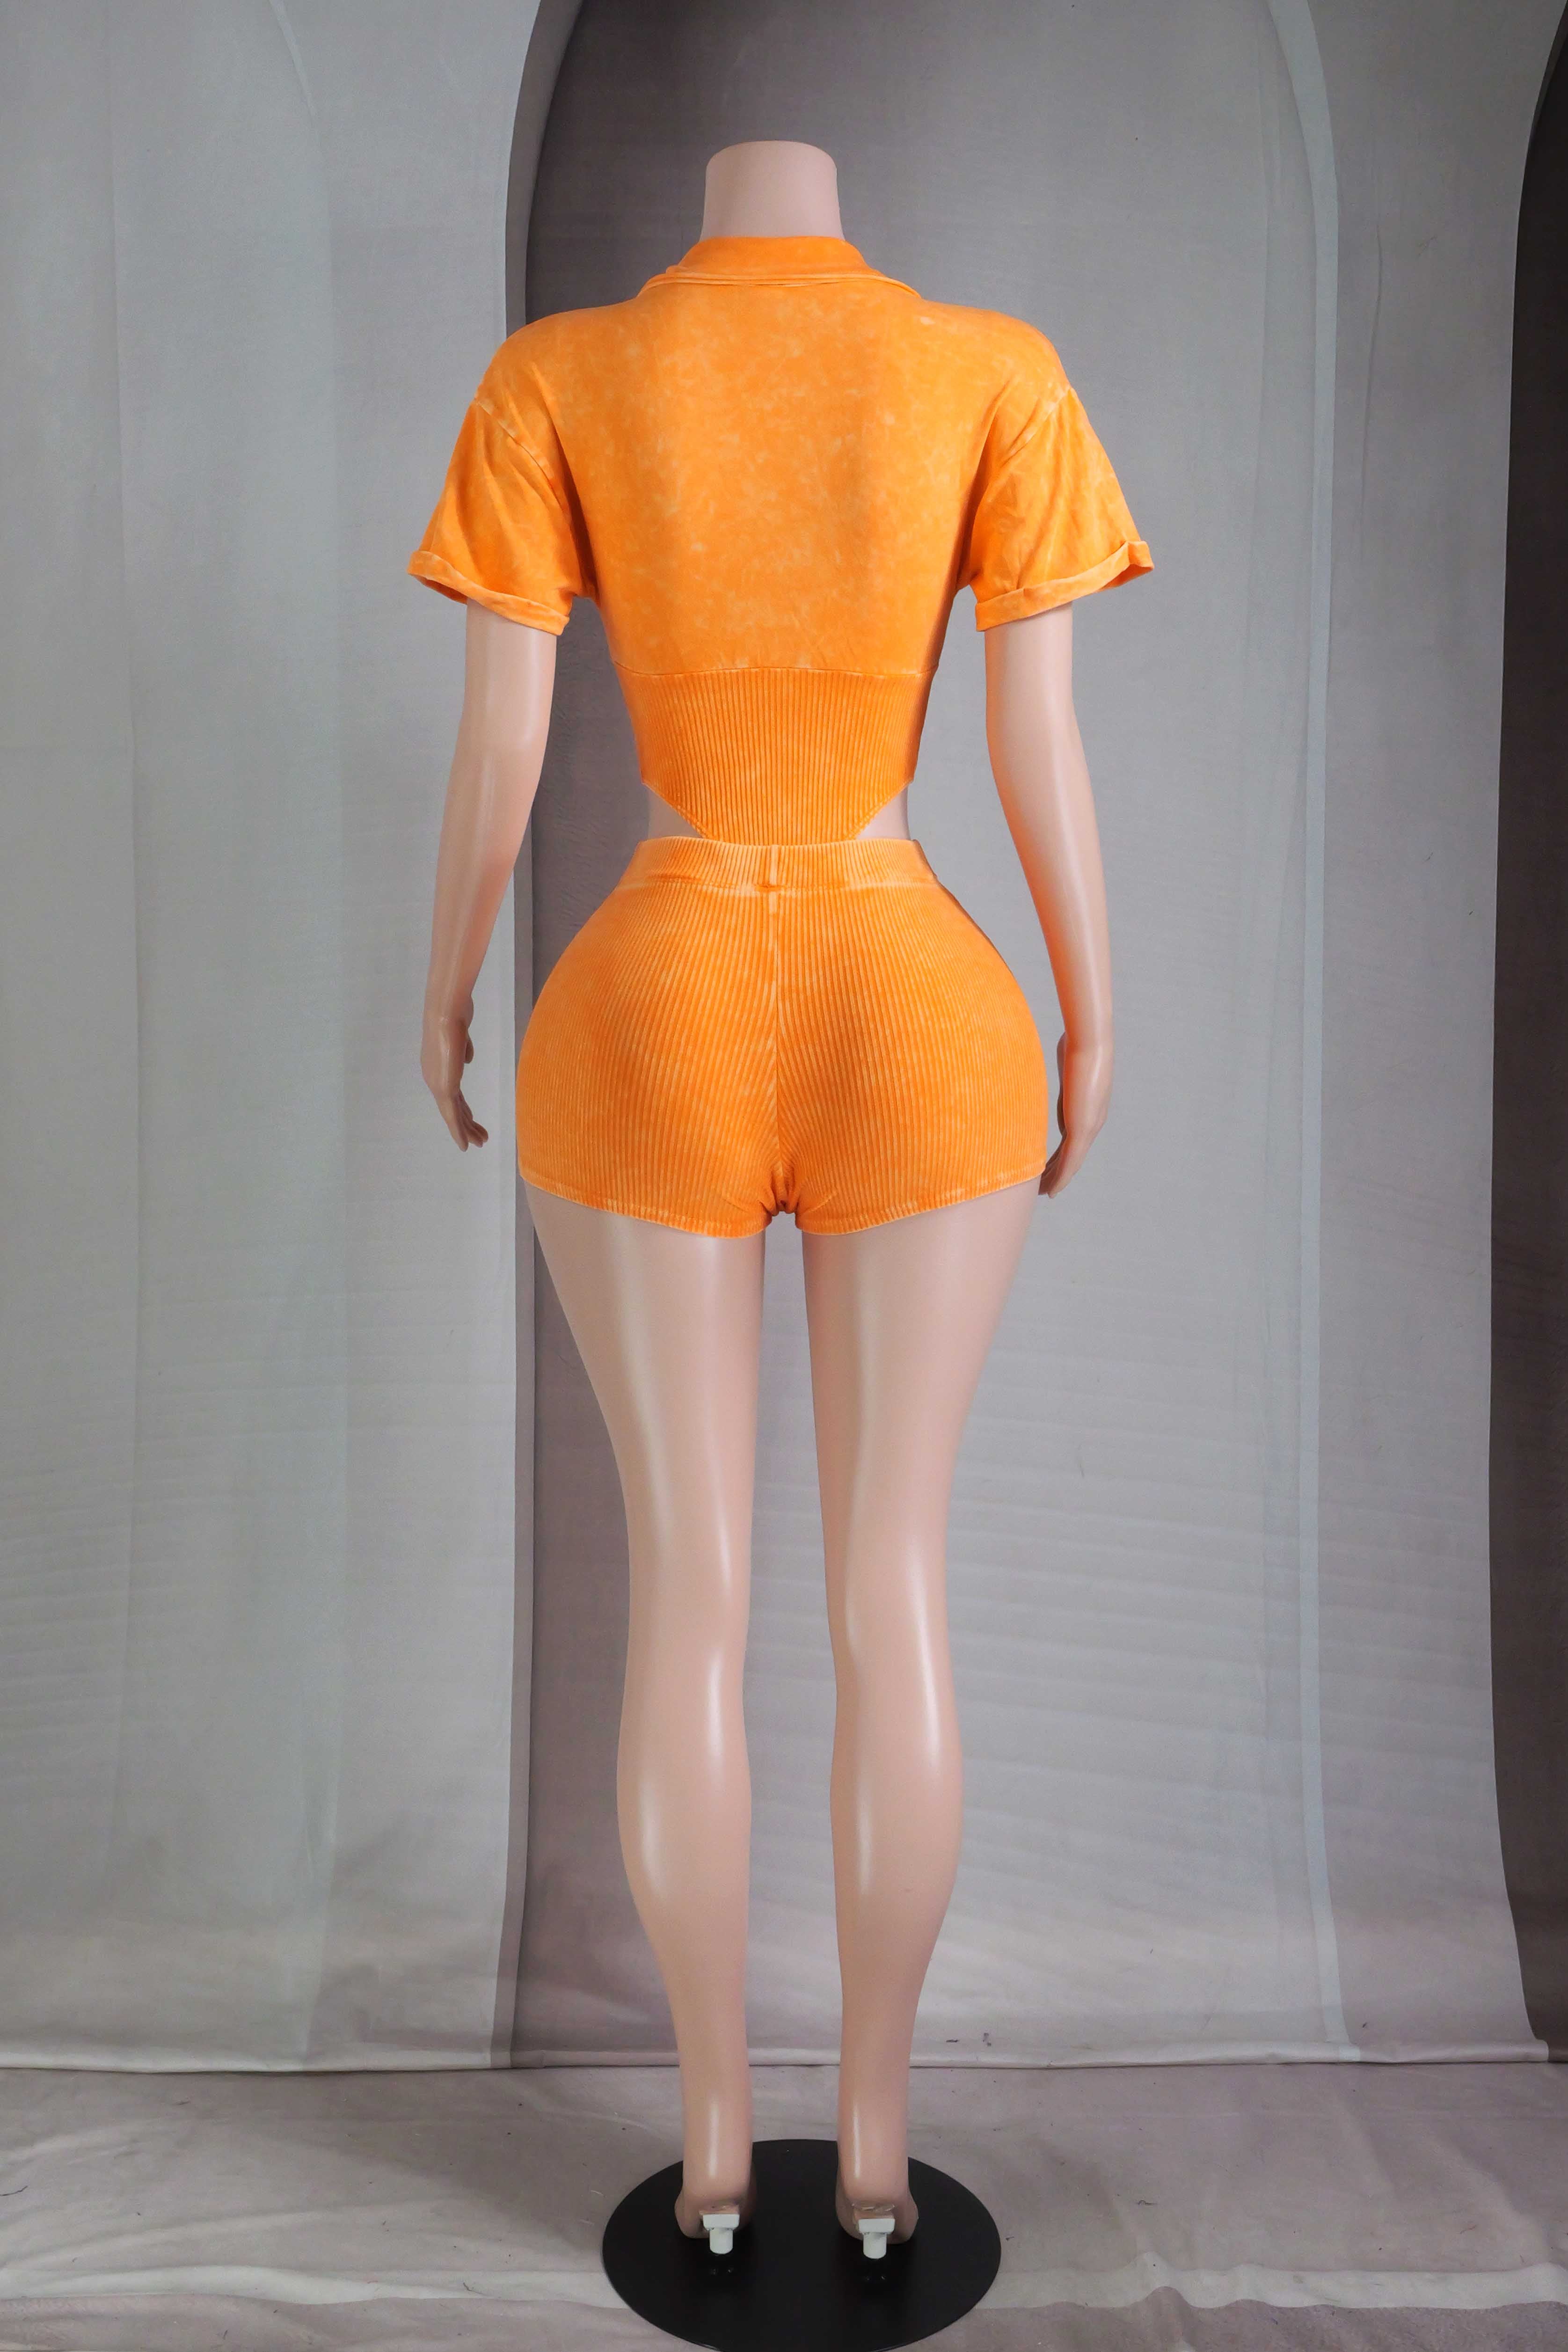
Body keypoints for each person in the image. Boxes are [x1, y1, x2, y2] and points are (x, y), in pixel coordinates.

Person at [408, 137, 1152, 2256]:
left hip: (646, 994)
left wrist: (442, 989)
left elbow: (502, 749)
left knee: (689, 1595)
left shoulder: (560, 374)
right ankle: (883, 2147)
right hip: (912, 989)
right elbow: (1036, 738)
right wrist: (1093, 1009)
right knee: (892, 1578)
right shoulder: (988, 368)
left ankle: (724, 2145)